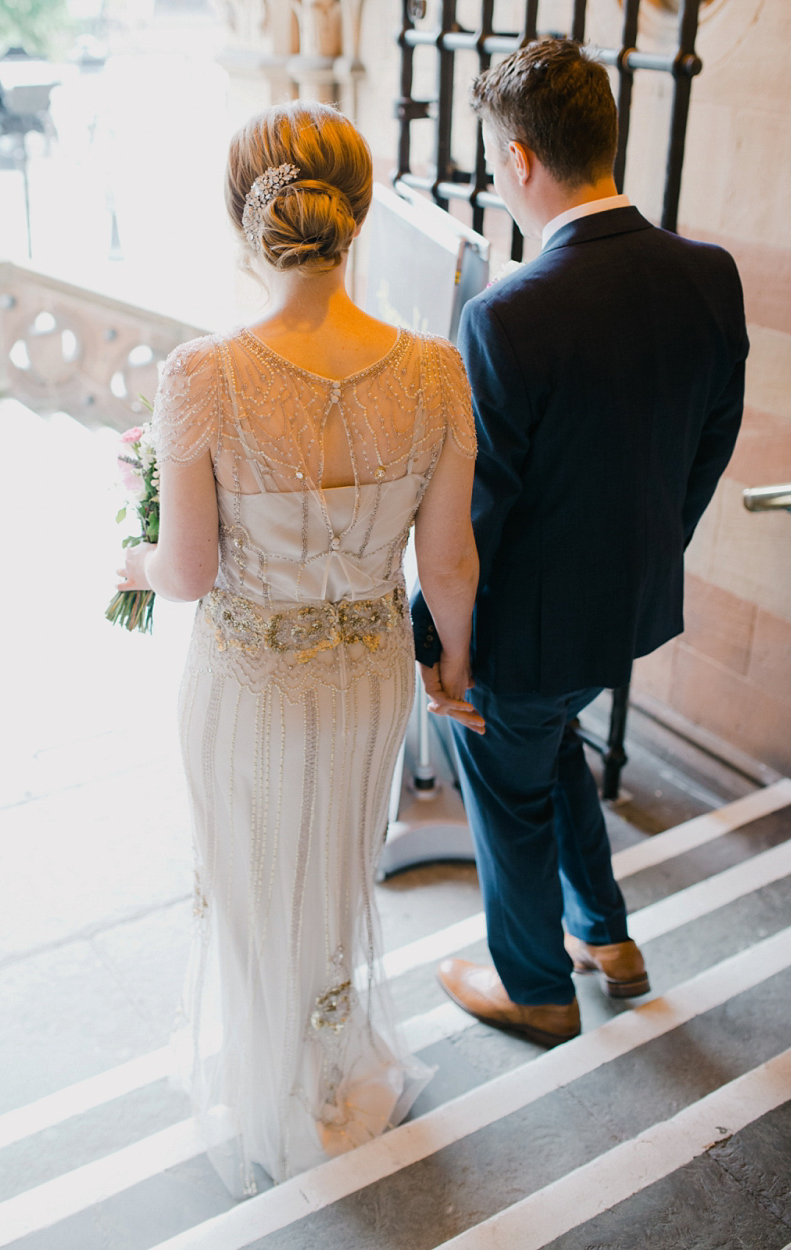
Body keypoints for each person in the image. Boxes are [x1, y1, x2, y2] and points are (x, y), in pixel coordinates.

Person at [117, 102, 481, 1197]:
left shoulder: (202, 376)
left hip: (247, 680)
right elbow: (451, 564)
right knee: (329, 867)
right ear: (358, 215)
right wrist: (449, 669)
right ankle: (329, 1063)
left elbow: (183, 572)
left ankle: (274, 1074)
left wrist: (127, 560)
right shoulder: (434, 372)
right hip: (367, 674)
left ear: (248, 218)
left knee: (252, 872)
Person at [412, 39, 748, 1049]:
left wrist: (447, 646)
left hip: (522, 629)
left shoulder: (509, 313)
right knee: (550, 748)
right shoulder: (708, 273)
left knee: (502, 780)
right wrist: (653, 549)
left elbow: (472, 518)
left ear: (520, 160)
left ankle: (534, 986)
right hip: (626, 607)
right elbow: (710, 444)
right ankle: (608, 938)